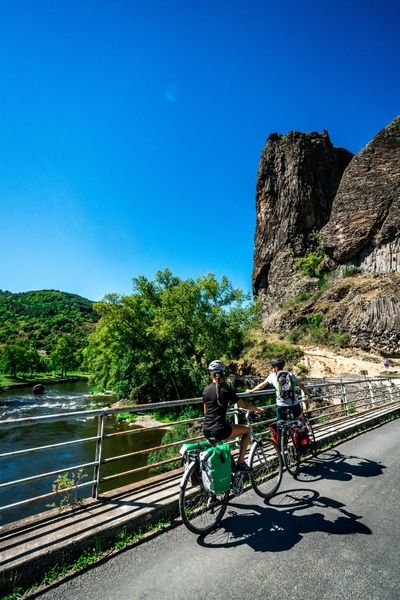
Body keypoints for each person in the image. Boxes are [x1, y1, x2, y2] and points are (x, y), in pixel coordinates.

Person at [203, 359, 264, 472]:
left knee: (219, 447)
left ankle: (226, 471)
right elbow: (244, 404)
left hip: (206, 430)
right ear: (223, 374)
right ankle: (241, 463)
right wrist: (257, 410)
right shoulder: (226, 389)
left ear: (211, 374)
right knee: (247, 430)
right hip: (219, 430)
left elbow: (206, 413)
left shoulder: (206, 390)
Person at [246, 357, 312, 422]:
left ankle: (283, 431)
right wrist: (309, 396)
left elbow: (261, 386)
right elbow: (302, 386)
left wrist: (251, 390)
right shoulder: (290, 374)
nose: (272, 369)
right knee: (300, 418)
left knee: (281, 423)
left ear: (275, 368)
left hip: (281, 404)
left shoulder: (272, 376)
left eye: (272, 367)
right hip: (293, 402)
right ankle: (303, 431)